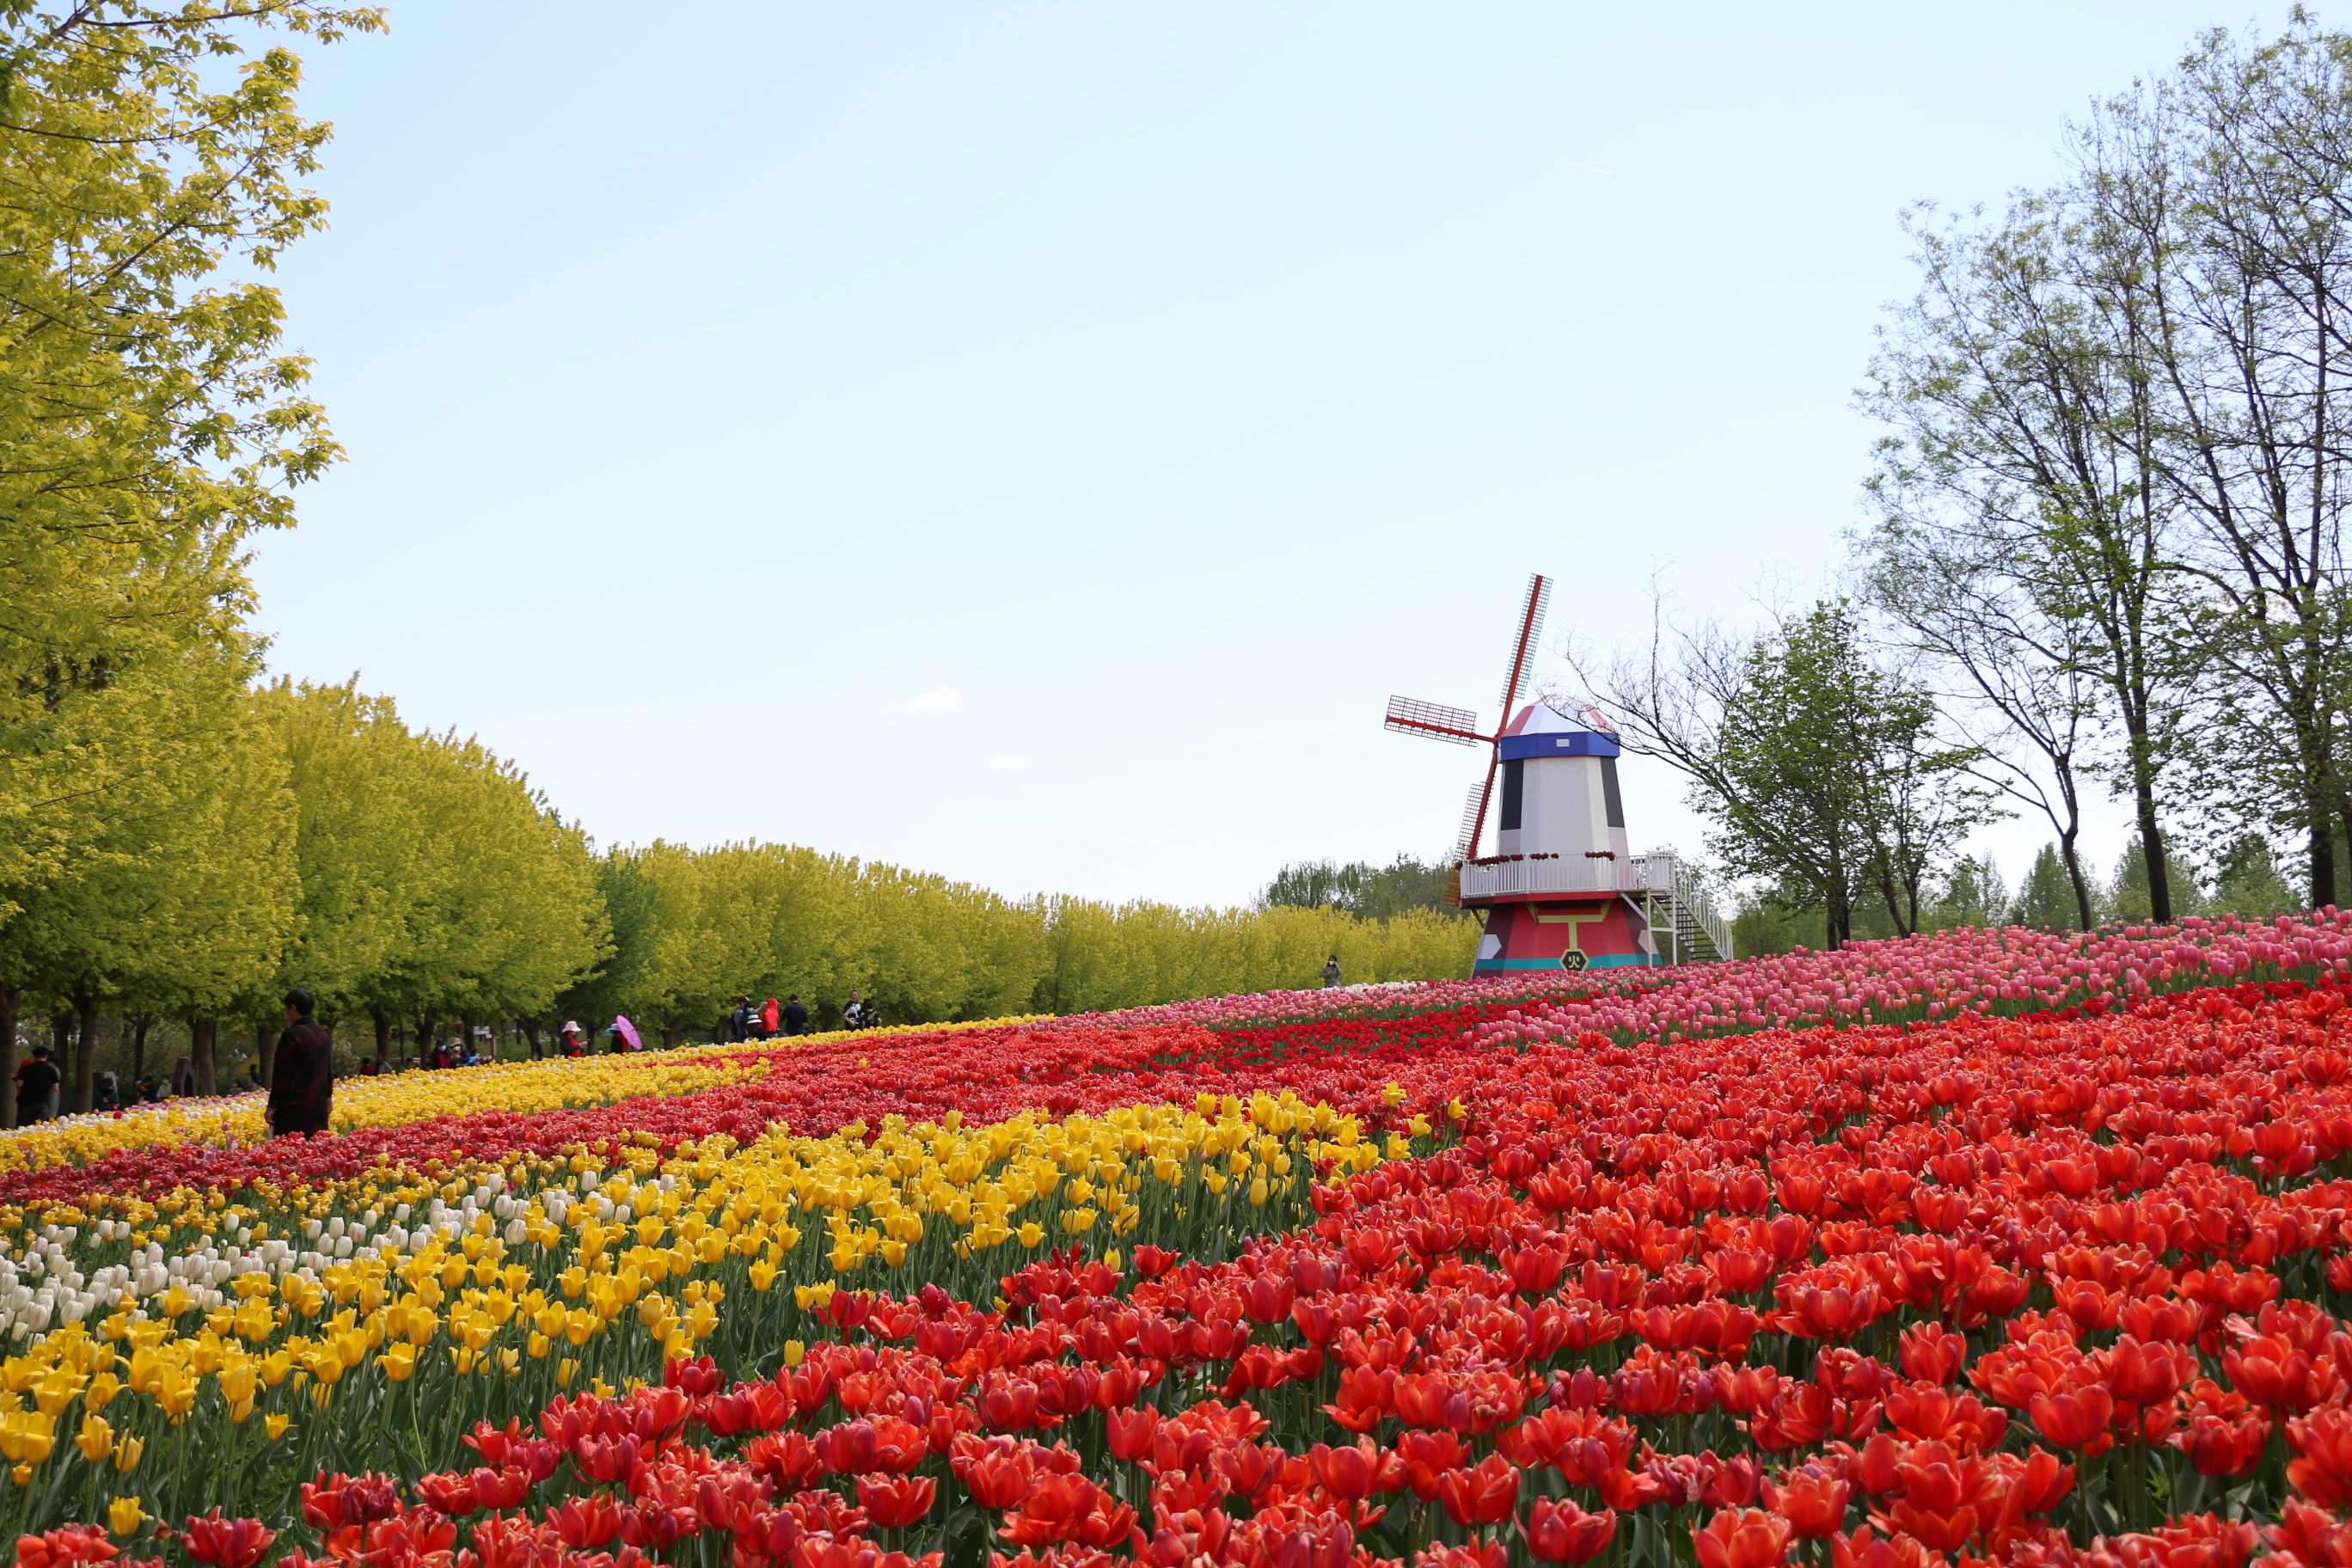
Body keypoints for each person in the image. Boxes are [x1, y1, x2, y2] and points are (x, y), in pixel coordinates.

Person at [266, 987, 334, 1139]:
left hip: (293, 1107)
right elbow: (329, 1071)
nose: (285, 1012)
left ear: (293, 1008)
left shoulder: (291, 1035)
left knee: (292, 1148)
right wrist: (328, 1098)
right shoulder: (322, 1033)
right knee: (315, 1148)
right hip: (318, 1107)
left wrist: (272, 1106)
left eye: (286, 1008)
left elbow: (282, 1074)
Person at [14, 1048, 58, 1126]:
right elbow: (55, 1088)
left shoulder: (27, 1068)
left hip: (26, 1103)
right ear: (46, 1056)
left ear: (34, 1056)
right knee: (39, 1128)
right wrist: (45, 1094)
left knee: (23, 1128)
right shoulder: (52, 1070)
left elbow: (19, 1085)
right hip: (42, 1103)